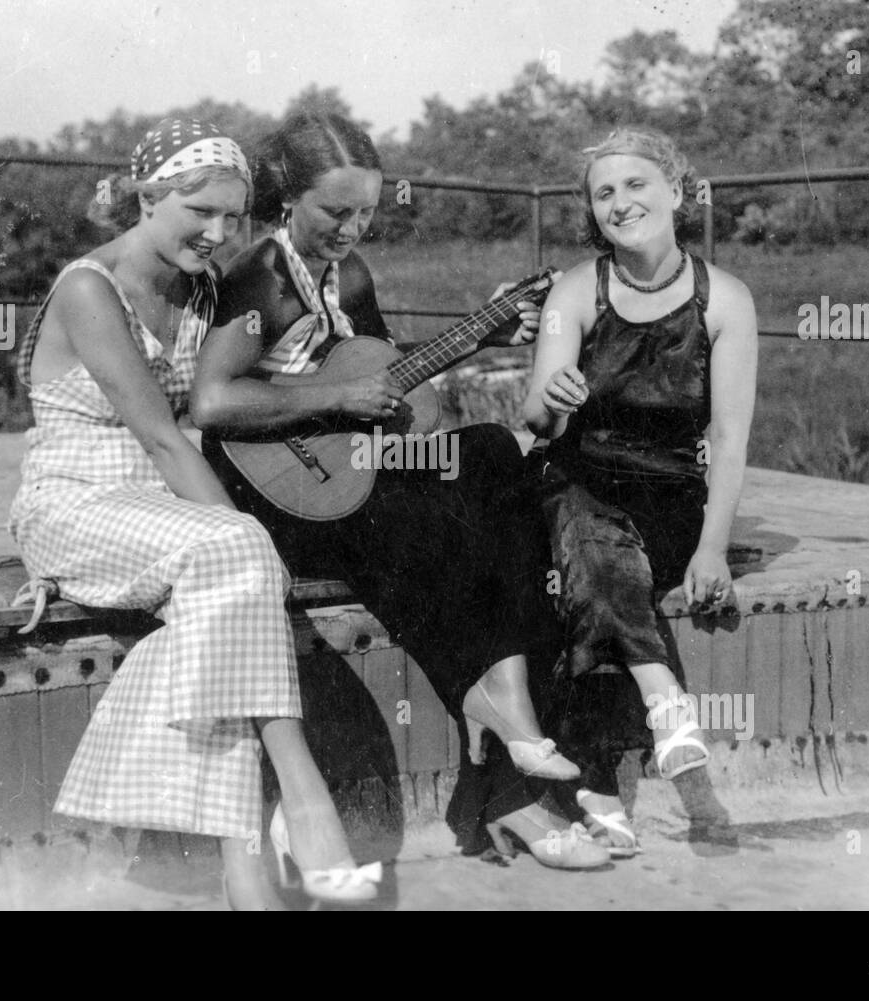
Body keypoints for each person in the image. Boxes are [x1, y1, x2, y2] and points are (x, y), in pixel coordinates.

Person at [191, 111, 608, 869]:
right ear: (288, 198)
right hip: (270, 489)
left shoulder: (346, 275)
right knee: (427, 525)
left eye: (367, 212)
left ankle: (505, 698)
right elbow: (212, 402)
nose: (353, 229)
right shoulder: (260, 274)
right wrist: (337, 404)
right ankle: (508, 781)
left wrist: (475, 338)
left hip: (345, 466)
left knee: (492, 455)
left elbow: (377, 370)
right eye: (335, 212)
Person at [8, 119, 380, 909]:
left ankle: (245, 859)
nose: (217, 233)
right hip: (78, 502)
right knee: (241, 559)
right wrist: (255, 544)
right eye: (198, 211)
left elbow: (253, 395)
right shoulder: (87, 289)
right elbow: (163, 438)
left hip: (168, 513)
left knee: (227, 594)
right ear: (147, 197)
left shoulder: (207, 285)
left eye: (234, 217)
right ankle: (303, 796)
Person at [522, 126, 758, 856]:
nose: (620, 204)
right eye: (604, 194)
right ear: (592, 214)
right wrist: (554, 397)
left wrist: (714, 546)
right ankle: (666, 702)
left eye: (636, 185)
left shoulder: (726, 299)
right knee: (592, 546)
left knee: (604, 575)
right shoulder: (576, 289)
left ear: (676, 193)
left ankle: (593, 781)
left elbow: (727, 437)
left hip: (669, 492)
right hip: (577, 477)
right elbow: (534, 418)